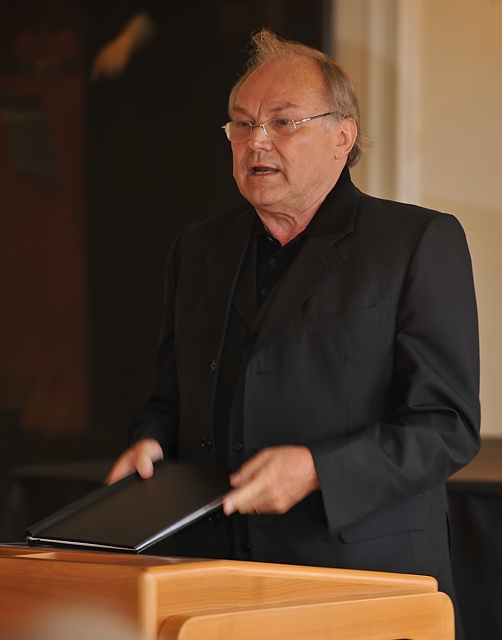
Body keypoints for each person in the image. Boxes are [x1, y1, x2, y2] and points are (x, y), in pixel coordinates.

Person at [107, 29, 480, 636]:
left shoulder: (416, 243)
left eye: (283, 122)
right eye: (242, 124)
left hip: (361, 584)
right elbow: (170, 399)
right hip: (209, 585)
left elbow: (447, 426)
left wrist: (317, 470)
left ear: (343, 137)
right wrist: (151, 442)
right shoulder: (198, 248)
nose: (256, 141)